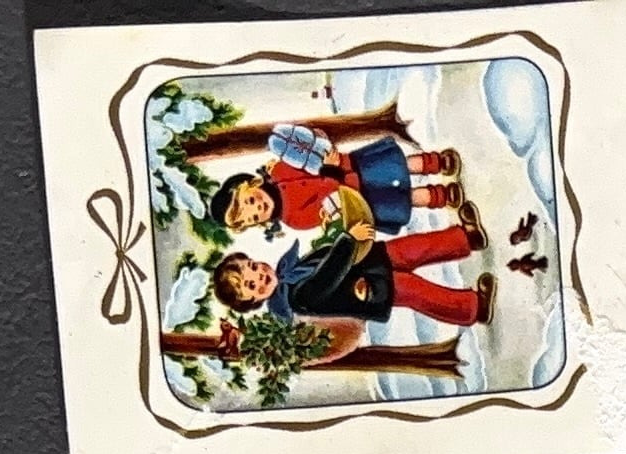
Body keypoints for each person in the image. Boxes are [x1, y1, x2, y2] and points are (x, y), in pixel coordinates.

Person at [212, 209, 492, 334]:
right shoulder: (294, 299)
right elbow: (327, 276)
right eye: (251, 286)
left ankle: (465, 238)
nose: (259, 276)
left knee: (412, 248)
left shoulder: (289, 269)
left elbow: (324, 255)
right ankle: (472, 308)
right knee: (414, 290)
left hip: (367, 261)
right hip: (365, 289)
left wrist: (338, 235)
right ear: (253, 301)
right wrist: (347, 240)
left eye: (252, 267)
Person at [209, 126, 469, 244]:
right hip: (353, 197)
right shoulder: (293, 219)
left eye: (251, 201)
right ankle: (439, 196)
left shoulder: (279, 170)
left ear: (251, 184)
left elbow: (306, 157)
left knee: (394, 165)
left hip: (351, 166)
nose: (259, 208)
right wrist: (331, 172)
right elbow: (324, 207)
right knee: (400, 199)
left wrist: (321, 148)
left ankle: (434, 163)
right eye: (254, 217)